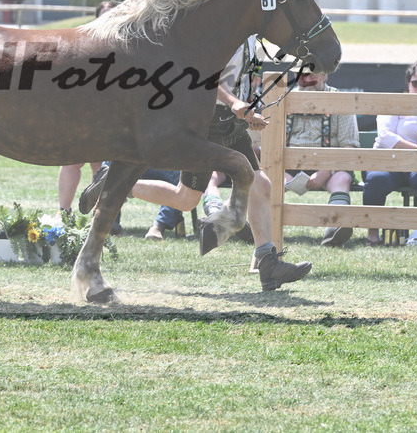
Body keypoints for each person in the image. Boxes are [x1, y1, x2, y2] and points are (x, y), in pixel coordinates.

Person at [82, 38, 312, 292]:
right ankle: (115, 184)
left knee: (234, 191)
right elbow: (202, 77)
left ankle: (268, 265)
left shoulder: (250, 38)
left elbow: (238, 82)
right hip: (205, 123)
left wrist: (247, 111)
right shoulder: (226, 31)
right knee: (202, 196)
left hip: (230, 124)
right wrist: (234, 103)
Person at [336, 61, 417, 247]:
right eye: (415, 83)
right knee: (377, 179)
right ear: (408, 84)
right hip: (388, 164)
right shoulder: (393, 103)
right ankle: (373, 234)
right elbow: (385, 137)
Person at [283, 69, 360, 247]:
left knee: (341, 179)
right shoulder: (284, 99)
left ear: (325, 75)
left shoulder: (341, 100)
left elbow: (349, 145)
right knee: (272, 181)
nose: (308, 79)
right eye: (303, 75)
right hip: (290, 164)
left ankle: (337, 226)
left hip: (331, 164)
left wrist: (326, 171)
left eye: (313, 75)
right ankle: (256, 225)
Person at [57, 0, 116, 231]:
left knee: (100, 166)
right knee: (72, 162)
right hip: (81, 114)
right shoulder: (82, 43)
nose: (107, 19)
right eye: (103, 15)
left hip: (110, 116)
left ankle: (99, 217)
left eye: (113, 15)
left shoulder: (127, 46)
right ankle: (64, 212)